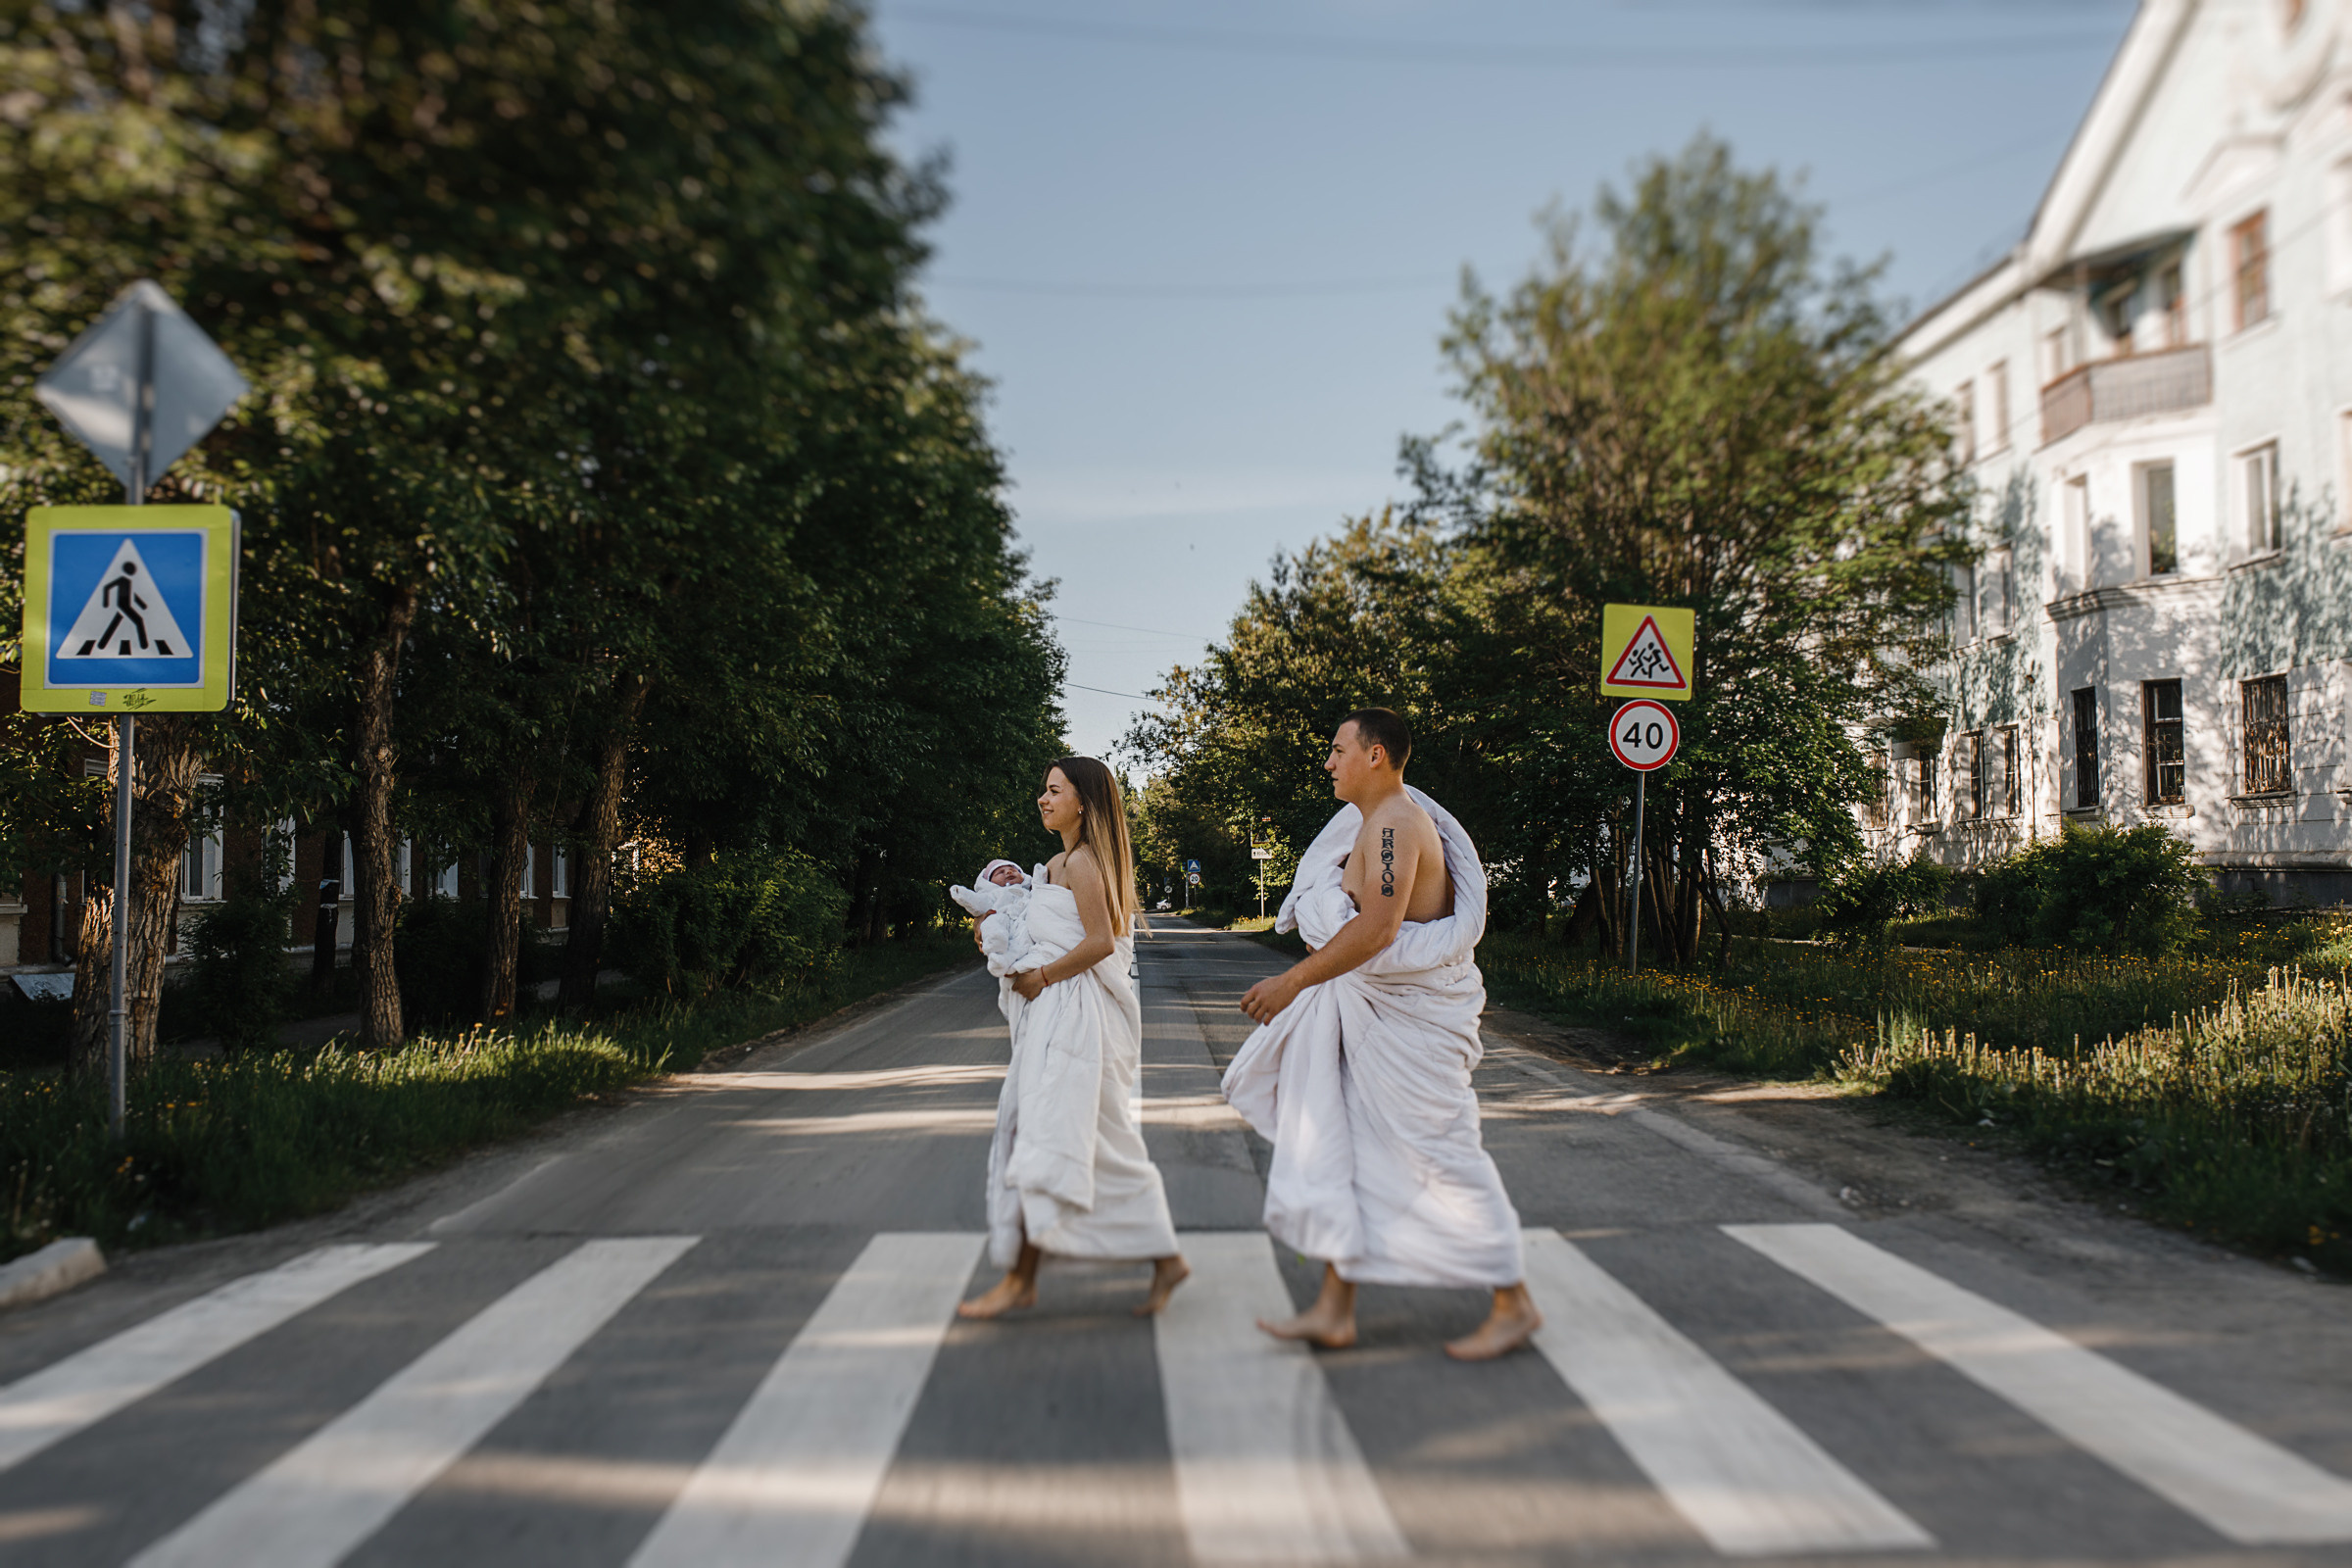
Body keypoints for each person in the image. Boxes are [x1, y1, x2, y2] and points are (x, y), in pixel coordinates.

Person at [1222, 709, 1541, 1360]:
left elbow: (1379, 930)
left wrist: (1295, 982)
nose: (1329, 762)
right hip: (1377, 1017)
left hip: (1410, 1022)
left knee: (1440, 1152)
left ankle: (1515, 1302)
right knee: (1354, 1149)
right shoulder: (1376, 824)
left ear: (1375, 756)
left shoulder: (1395, 824)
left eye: (1338, 750)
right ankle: (1335, 1309)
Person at [960, 758, 1190, 1320]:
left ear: (1082, 802)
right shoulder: (1056, 864)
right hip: (1056, 1018)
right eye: (1042, 789)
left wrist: (1040, 977)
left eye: (1054, 790)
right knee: (1084, 1141)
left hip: (1078, 1018)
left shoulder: (1084, 862)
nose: (1042, 798)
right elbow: (1027, 925)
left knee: (1046, 1135)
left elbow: (1099, 943)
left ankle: (1022, 1278)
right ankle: (1161, 1259)